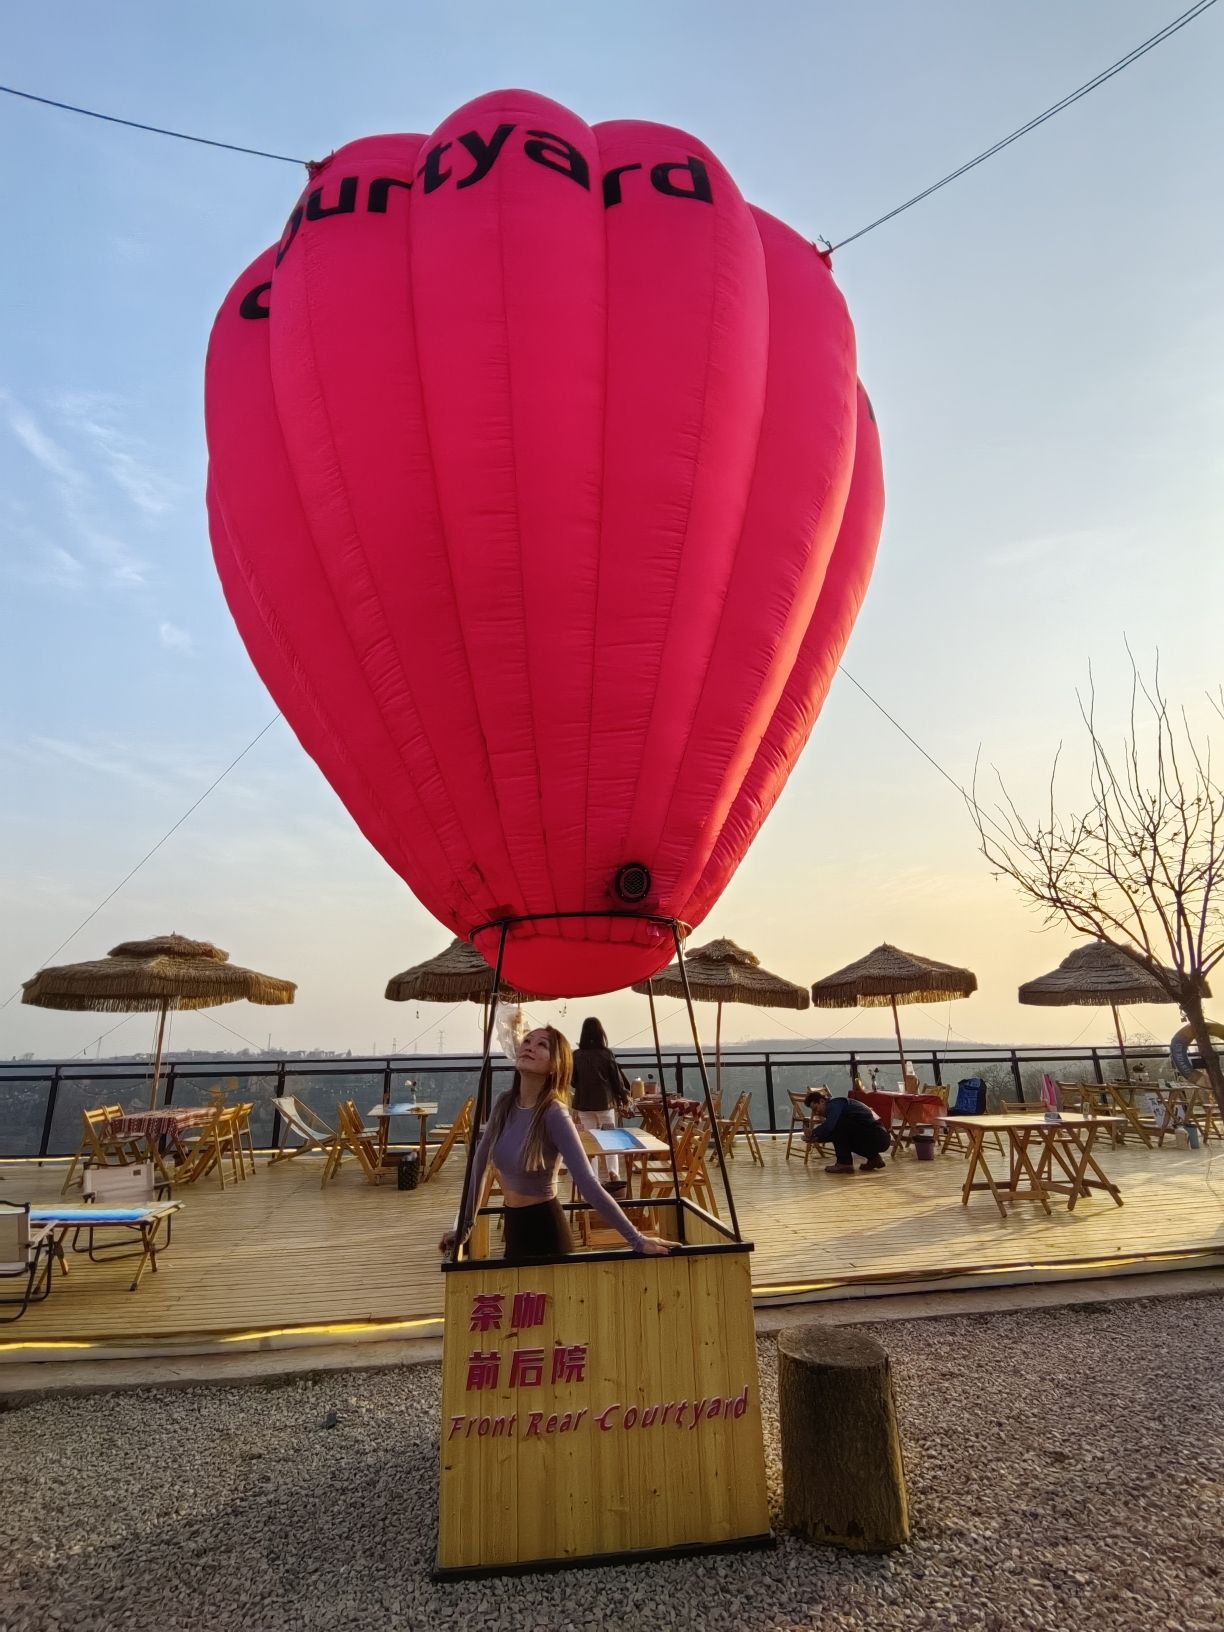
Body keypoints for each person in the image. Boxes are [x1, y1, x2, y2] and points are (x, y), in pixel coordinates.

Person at [439, 1025, 672, 1262]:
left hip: (546, 1232)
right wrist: (465, 1228)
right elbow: (479, 1166)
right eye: (527, 1041)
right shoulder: (504, 1103)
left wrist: (637, 1239)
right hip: (514, 1228)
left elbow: (588, 1184)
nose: (530, 1047)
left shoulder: (553, 1113)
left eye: (542, 1045)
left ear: (555, 1066)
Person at [570, 1016, 633, 1193]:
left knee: (589, 1143)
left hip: (584, 1105)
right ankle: (613, 1173)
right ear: (601, 1033)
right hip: (605, 1105)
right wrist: (623, 1096)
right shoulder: (607, 1054)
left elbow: (573, 1081)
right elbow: (616, 1080)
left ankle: (593, 1179)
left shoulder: (576, 1055)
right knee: (609, 1141)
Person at [805, 1087, 891, 1174]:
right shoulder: (838, 1106)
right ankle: (874, 1159)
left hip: (878, 1136)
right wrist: (815, 1137)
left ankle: (844, 1163)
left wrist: (813, 1133)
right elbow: (832, 1134)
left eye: (815, 1108)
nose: (816, 1113)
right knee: (843, 1133)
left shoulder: (835, 1104)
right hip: (879, 1137)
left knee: (838, 1125)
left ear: (822, 1101)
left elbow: (831, 1127)